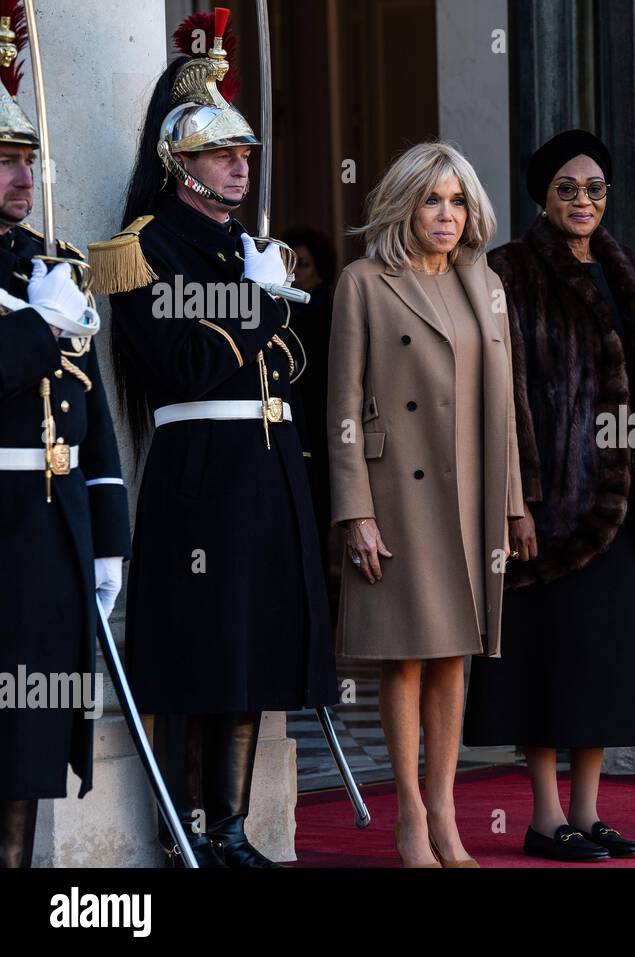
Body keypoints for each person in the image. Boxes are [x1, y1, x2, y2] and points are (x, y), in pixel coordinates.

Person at [92, 10, 337, 867]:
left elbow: (286, 368)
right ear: (182, 166)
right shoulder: (141, 251)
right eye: (224, 155)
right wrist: (265, 301)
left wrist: (259, 286)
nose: (242, 164)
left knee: (254, 648)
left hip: (265, 468)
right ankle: (187, 826)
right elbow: (188, 364)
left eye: (243, 155)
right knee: (203, 655)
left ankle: (229, 829)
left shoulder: (242, 250)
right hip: (203, 473)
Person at [463, 129, 635, 862]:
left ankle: (588, 813)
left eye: (595, 188)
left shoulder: (628, 269)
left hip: (624, 507)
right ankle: (544, 816)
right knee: (546, 665)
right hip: (553, 508)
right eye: (567, 188)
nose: (583, 200)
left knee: (605, 668)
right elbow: (504, 394)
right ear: (542, 196)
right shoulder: (510, 270)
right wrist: (517, 499)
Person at [328, 141, 522, 868]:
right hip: (396, 493)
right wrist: (355, 510)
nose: (447, 214)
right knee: (404, 656)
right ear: (405, 204)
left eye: (458, 200)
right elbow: (341, 403)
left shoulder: (485, 280)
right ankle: (409, 814)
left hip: (469, 489)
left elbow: (502, 403)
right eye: (433, 199)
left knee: (455, 654)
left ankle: (445, 813)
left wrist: (509, 505)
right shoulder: (364, 282)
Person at [0, 13, 130, 867]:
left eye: (28, 162)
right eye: (5, 162)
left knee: (31, 733)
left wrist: (109, 535)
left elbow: (97, 416)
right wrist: (39, 330)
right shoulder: (40, 292)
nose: (22, 178)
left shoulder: (47, 266)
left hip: (54, 523)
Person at [282, 226, 337, 581]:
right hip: (288, 421)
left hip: (323, 421)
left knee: (319, 505)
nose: (297, 273)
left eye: (303, 264)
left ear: (319, 269)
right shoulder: (278, 312)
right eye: (291, 265)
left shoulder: (332, 311)